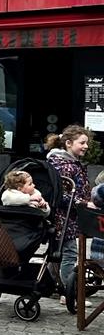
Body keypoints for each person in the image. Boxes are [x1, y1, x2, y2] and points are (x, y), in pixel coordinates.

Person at [47, 126, 97, 301]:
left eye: (86, 143)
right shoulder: (65, 166)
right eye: (82, 143)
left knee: (56, 252)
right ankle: (70, 293)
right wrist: (84, 203)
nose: (86, 146)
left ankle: (55, 285)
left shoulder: (67, 162)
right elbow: (63, 196)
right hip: (63, 217)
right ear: (68, 143)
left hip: (65, 216)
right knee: (68, 253)